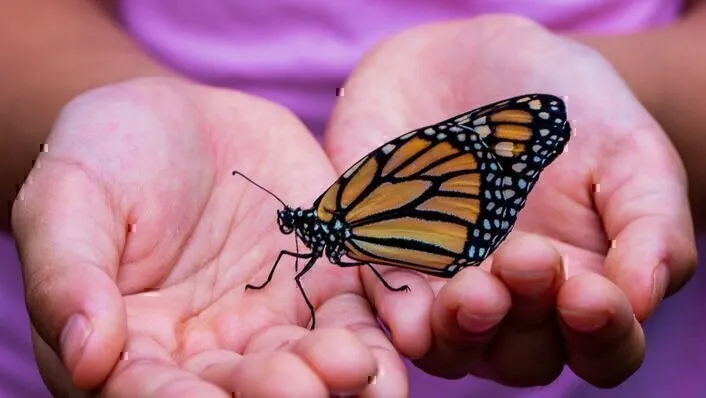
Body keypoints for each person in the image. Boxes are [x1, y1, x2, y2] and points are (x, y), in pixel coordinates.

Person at [0, 0, 702, 396]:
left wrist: (647, 97)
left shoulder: (343, 210)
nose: (299, 229)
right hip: (113, 313)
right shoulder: (326, 222)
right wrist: (95, 109)